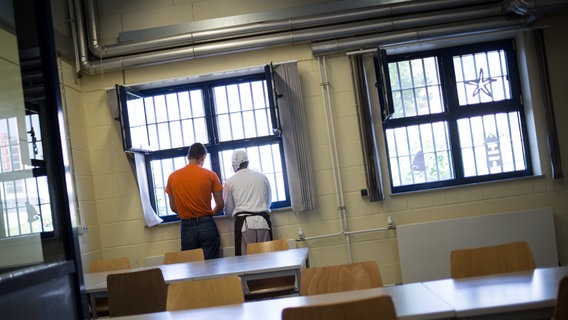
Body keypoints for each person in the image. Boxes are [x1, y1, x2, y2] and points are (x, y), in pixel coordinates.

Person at [165, 142, 224, 259]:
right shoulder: (211, 175)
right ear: (203, 157)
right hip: (206, 223)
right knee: (211, 265)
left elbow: (173, 207)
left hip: (186, 226)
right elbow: (220, 204)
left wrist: (185, 213)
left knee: (192, 266)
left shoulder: (173, 177)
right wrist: (209, 214)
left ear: (188, 157)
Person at [223, 150, 273, 256]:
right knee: (268, 260)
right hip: (263, 221)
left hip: (244, 224)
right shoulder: (262, 177)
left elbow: (228, 208)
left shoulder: (230, 181)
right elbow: (268, 201)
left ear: (234, 164)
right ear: (248, 162)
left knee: (246, 262)